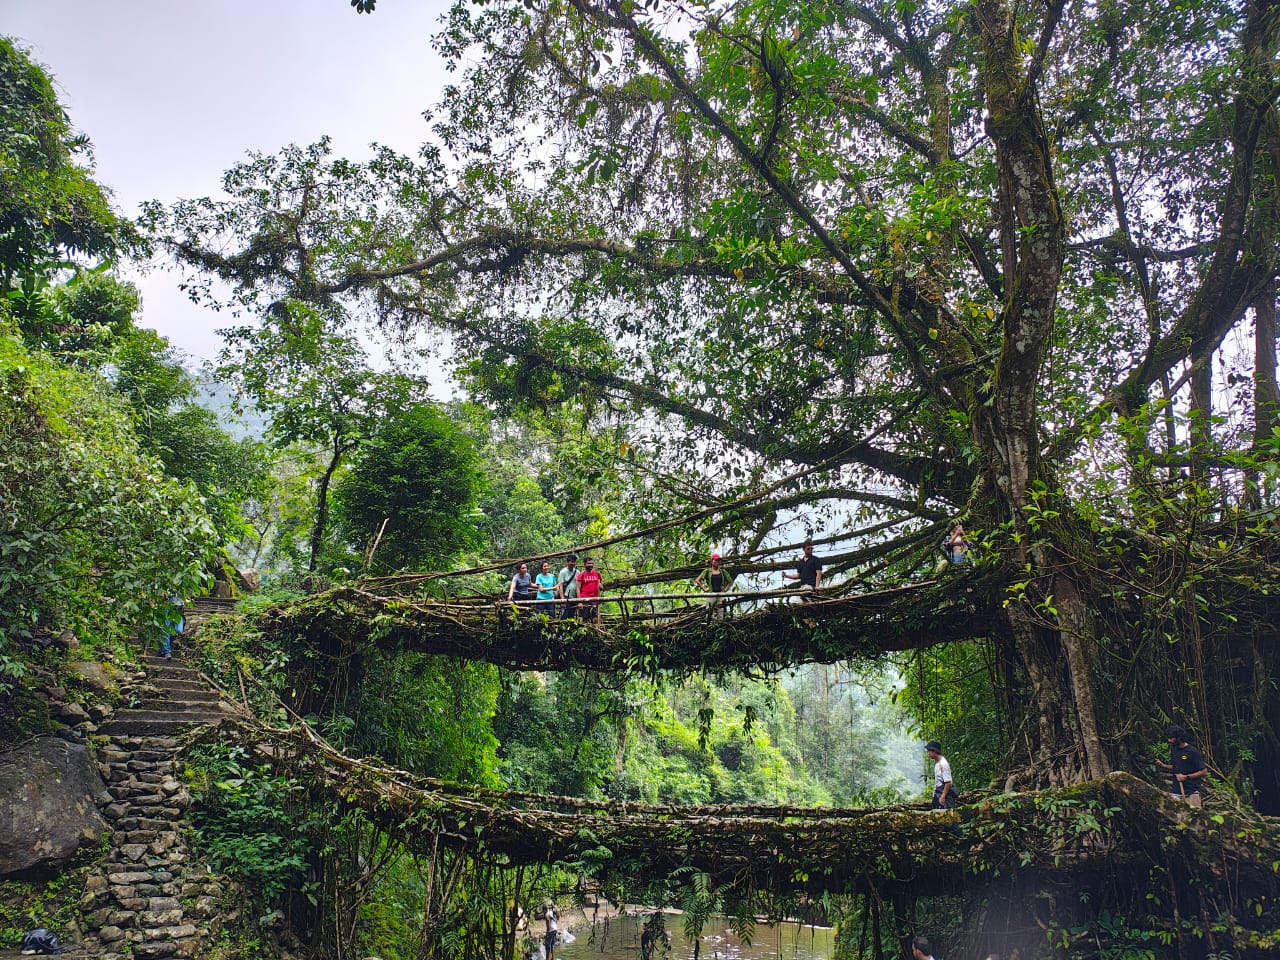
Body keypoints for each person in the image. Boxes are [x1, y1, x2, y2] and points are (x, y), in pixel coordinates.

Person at [1155, 723, 1208, 807]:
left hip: (1191, 791)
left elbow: (1203, 771)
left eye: (1171, 738)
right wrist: (1163, 765)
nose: (1169, 741)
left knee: (1194, 817)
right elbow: (1176, 767)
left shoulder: (1192, 751)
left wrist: (1186, 777)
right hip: (1176, 791)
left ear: (1178, 738)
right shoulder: (1174, 750)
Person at [694, 553, 734, 619]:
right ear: (712, 561)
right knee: (710, 612)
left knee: (721, 612)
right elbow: (698, 580)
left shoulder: (723, 571)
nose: (717, 562)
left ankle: (720, 627)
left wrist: (725, 589)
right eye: (715, 560)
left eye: (718, 560)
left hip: (721, 594)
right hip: (711, 594)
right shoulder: (707, 571)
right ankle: (711, 627)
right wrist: (704, 589)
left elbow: (730, 581)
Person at [576, 556, 604, 622]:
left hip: (595, 600)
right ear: (584, 564)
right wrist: (579, 601)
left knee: (595, 618)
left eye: (592, 563)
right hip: (585, 600)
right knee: (585, 618)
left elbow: (602, 587)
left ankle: (595, 631)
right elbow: (577, 588)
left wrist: (600, 586)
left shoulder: (597, 574)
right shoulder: (581, 575)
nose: (591, 565)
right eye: (589, 563)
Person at [557, 553, 580, 619]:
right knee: (564, 616)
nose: (573, 563)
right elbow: (560, 585)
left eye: (574, 562)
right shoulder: (563, 572)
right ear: (567, 562)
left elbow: (578, 585)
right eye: (571, 562)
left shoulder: (577, 572)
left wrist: (578, 599)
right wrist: (562, 599)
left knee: (571, 616)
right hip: (566, 597)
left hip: (574, 597)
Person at [160, 594, 184, 659]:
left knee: (178, 630)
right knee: (166, 629)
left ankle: (166, 647)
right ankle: (166, 651)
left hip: (179, 606)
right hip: (167, 605)